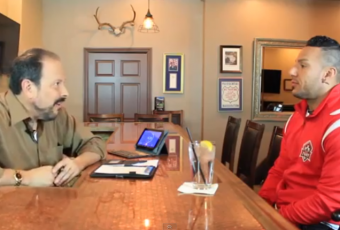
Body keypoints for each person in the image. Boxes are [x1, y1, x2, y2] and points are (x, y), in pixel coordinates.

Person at [259, 35, 340, 230]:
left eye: (303, 65)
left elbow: (328, 201)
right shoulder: (297, 117)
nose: (292, 71)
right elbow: (280, 170)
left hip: (318, 223)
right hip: (285, 212)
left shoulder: (336, 125)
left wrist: (276, 217)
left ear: (328, 74)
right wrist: (259, 207)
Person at [0, 48, 106, 187]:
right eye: (57, 84)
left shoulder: (56, 113)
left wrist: (77, 164)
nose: (65, 92)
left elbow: (96, 144)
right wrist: (26, 178)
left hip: (53, 204)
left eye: (63, 83)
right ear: (29, 88)